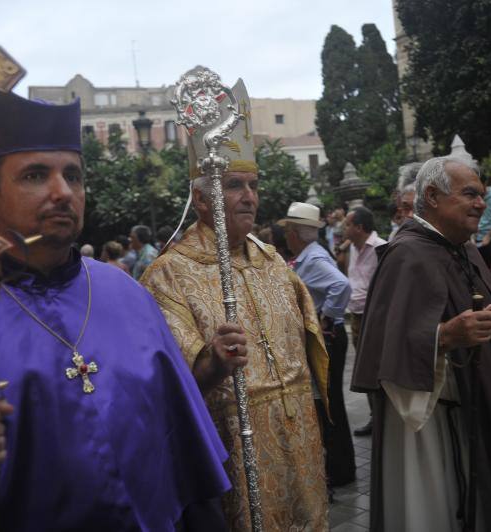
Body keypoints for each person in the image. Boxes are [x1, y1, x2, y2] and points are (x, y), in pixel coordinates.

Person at [0, 92, 230, 531]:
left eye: (73, 176)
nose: (62, 192)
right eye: (36, 175)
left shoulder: (126, 294)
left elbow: (184, 452)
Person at [140, 78, 329, 531]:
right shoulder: (169, 273)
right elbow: (172, 381)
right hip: (231, 440)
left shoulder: (272, 260)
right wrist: (213, 363)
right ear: (202, 200)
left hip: (298, 431)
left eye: (253, 185)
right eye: (234, 186)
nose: (249, 196)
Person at [351, 156, 491, 532]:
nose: (481, 204)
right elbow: (384, 342)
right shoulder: (405, 253)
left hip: (476, 402)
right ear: (433, 196)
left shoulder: (465, 248)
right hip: (428, 421)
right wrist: (443, 337)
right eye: (470, 194)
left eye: (483, 196)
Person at [279, 201, 356, 488]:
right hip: (329, 337)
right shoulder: (308, 256)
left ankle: (340, 468)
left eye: (288, 230)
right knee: (329, 404)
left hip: (330, 339)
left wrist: (327, 318)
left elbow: (341, 285)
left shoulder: (313, 259)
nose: (286, 236)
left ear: (297, 233)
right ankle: (339, 466)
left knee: (330, 404)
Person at [344, 206, 386, 437]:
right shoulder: (352, 248)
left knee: (378, 368)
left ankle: (384, 416)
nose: (344, 228)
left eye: (348, 224)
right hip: (357, 316)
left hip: (375, 318)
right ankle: (375, 417)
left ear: (359, 227)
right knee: (364, 370)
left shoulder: (381, 248)